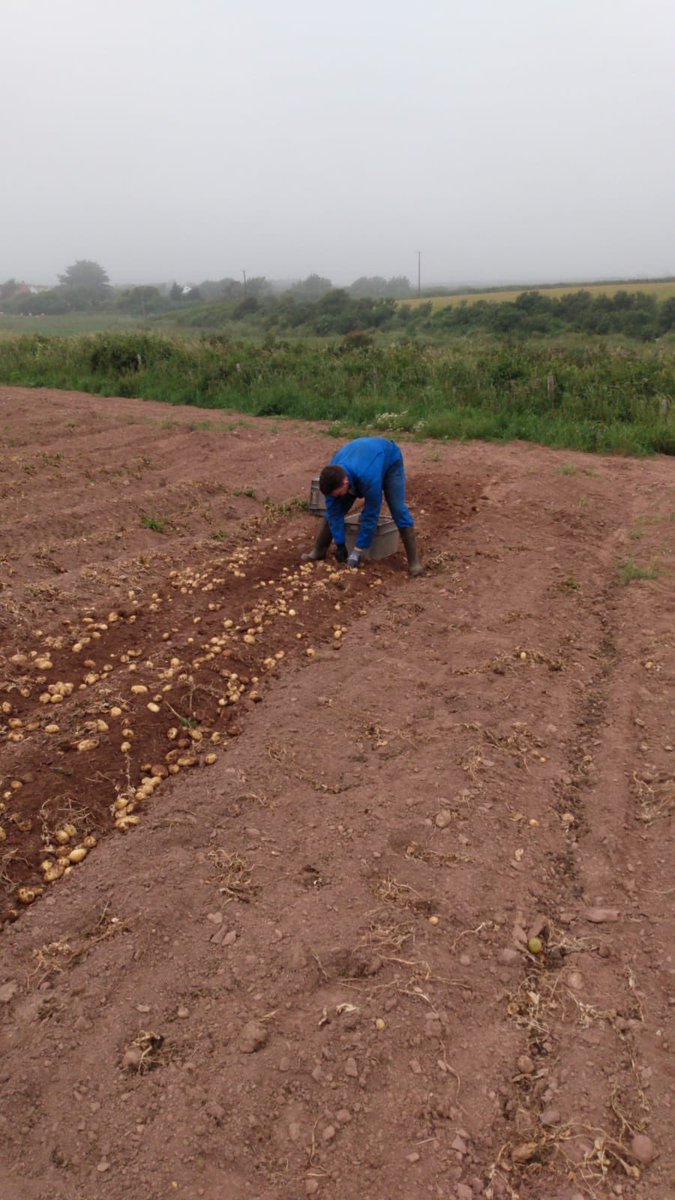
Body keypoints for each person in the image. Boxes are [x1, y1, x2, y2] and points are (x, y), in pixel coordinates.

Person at [302, 436, 423, 576]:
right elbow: (334, 512)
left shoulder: (368, 478)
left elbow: (371, 514)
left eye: (339, 493)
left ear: (346, 482)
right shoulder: (332, 475)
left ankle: (414, 563)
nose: (337, 497)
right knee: (335, 508)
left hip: (389, 459)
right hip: (360, 457)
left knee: (398, 509)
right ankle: (319, 551)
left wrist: (357, 551)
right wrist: (340, 544)